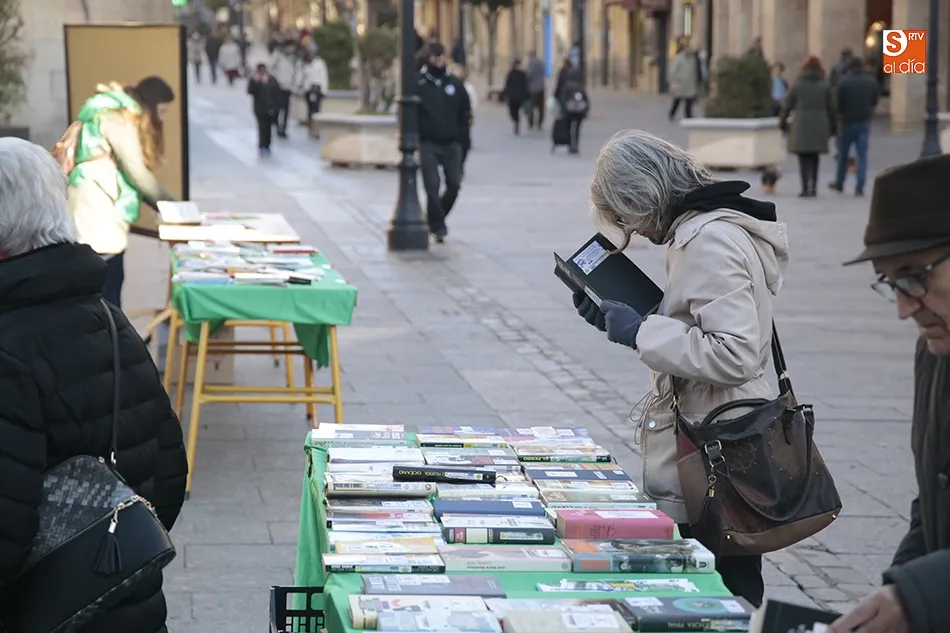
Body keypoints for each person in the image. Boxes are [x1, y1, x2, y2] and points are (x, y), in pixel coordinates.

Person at [578, 130, 788, 606]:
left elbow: (735, 352)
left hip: (721, 445)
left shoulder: (707, 239)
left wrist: (641, 331)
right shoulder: (700, 232)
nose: (633, 232)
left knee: (727, 583)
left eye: (627, 217)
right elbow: (697, 326)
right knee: (718, 575)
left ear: (643, 196)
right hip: (708, 438)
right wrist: (638, 321)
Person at [0, 137, 188, 633]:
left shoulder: (7, 349)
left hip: (47, 614)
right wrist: (104, 556)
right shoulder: (108, 318)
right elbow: (168, 471)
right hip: (127, 599)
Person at [831, 154, 950, 633]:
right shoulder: (935, 351)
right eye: (890, 283)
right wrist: (896, 592)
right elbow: (935, 498)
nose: (904, 308)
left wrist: (922, 594)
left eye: (914, 276)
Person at [66, 77, 177, 308]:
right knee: (107, 295)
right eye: (162, 111)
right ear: (151, 104)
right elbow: (136, 172)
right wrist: (173, 207)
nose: (162, 119)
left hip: (90, 208)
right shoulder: (118, 118)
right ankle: (108, 342)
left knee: (98, 292)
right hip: (98, 216)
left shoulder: (108, 111)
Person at [417, 42, 471, 243]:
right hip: (428, 142)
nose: (437, 62)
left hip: (452, 142)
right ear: (428, 58)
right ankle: (437, 227)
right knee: (431, 186)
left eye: (441, 58)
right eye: (434, 58)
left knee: (454, 184)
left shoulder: (456, 85)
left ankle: (435, 217)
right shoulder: (419, 84)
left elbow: (465, 114)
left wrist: (464, 142)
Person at [779, 56, 835, 198]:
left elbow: (788, 105)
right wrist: (833, 126)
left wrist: (782, 122)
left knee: (803, 157)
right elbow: (832, 107)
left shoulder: (798, 85)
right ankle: (814, 186)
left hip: (801, 124)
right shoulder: (824, 85)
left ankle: (804, 187)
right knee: (815, 157)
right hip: (820, 123)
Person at [830, 56, 879, 197]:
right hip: (863, 122)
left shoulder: (844, 83)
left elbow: (838, 103)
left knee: (843, 155)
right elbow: (874, 100)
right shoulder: (870, 81)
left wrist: (840, 115)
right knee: (862, 155)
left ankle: (840, 182)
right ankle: (860, 186)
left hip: (847, 122)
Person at [554, 58, 588, 154]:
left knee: (568, 127)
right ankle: (576, 144)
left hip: (569, 111)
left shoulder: (566, 87)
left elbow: (563, 99)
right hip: (579, 111)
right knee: (577, 129)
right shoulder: (580, 86)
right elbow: (586, 99)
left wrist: (563, 109)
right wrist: (586, 110)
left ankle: (570, 145)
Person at [248, 63, 282, 156]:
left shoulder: (271, 80)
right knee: (261, 127)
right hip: (259, 109)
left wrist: (277, 106)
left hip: (270, 108)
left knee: (268, 127)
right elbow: (250, 91)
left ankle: (268, 144)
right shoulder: (254, 80)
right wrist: (257, 82)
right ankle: (262, 145)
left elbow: (277, 92)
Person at [269, 39, 297, 138]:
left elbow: (295, 72)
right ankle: (276, 124)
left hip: (288, 86)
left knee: (286, 109)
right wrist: (275, 79)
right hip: (278, 86)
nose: (292, 49)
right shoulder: (278, 56)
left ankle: (283, 129)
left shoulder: (293, 58)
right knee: (277, 108)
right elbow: (270, 67)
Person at [668, 43, 701, 120]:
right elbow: (673, 70)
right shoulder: (679, 58)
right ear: (684, 49)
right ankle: (671, 114)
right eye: (688, 48)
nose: (690, 50)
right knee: (677, 100)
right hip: (680, 83)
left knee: (689, 101)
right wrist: (674, 81)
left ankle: (688, 115)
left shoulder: (693, 58)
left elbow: (699, 58)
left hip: (690, 84)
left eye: (690, 48)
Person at [295, 49, 329, 120]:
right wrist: (298, 88)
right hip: (307, 89)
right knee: (310, 109)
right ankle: (310, 125)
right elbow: (299, 77)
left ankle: (316, 125)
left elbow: (323, 76)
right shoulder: (302, 63)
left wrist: (324, 90)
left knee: (316, 109)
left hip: (317, 88)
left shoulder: (319, 63)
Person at [502, 58, 529, 135]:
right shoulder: (513, 74)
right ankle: (516, 120)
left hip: (515, 96)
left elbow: (507, 84)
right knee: (513, 111)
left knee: (514, 110)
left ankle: (516, 122)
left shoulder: (519, 74)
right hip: (515, 95)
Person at [526, 50, 546, 129]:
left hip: (533, 88)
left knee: (531, 106)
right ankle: (540, 122)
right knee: (541, 107)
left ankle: (531, 122)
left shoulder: (531, 63)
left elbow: (529, 75)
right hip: (541, 87)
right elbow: (543, 72)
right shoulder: (541, 62)